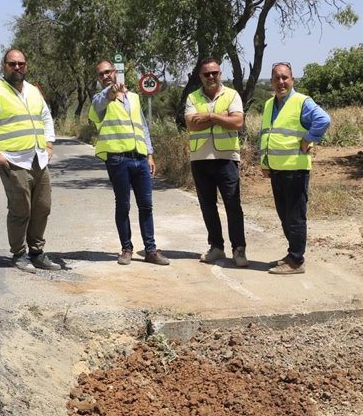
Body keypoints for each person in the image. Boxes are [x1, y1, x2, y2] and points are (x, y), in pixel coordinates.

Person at [0, 48, 61, 273]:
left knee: (42, 207)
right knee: (21, 210)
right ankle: (19, 254)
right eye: (12, 64)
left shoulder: (33, 91)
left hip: (38, 158)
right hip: (12, 161)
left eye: (21, 63)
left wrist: (49, 144)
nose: (17, 67)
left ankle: (37, 253)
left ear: (27, 66)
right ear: (4, 66)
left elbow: (46, 117)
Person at [88, 60, 170, 266]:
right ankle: (126, 249)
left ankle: (150, 250)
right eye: (101, 74)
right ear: (99, 79)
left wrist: (149, 154)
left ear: (115, 72)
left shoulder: (133, 97)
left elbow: (143, 126)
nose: (106, 76)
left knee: (146, 205)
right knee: (123, 205)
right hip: (118, 159)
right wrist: (110, 93)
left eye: (108, 72)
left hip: (140, 158)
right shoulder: (101, 99)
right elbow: (97, 109)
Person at [260, 62, 331, 274]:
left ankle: (296, 261)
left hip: (295, 169)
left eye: (285, 78)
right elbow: (266, 135)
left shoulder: (302, 102)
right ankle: (292, 254)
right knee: (284, 215)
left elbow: (324, 119)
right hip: (277, 169)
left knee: (295, 216)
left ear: (292, 80)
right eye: (276, 78)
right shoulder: (269, 104)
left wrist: (308, 138)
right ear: (271, 81)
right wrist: (264, 163)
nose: (281, 82)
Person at [184, 57, 248, 267]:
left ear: (220, 73)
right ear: (200, 76)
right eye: (206, 74)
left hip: (227, 159)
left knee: (233, 205)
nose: (211, 77)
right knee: (207, 206)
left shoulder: (232, 95)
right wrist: (220, 116)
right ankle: (216, 247)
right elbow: (191, 125)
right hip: (200, 159)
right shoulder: (192, 97)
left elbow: (237, 122)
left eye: (215, 73)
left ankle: (238, 250)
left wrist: (208, 116)